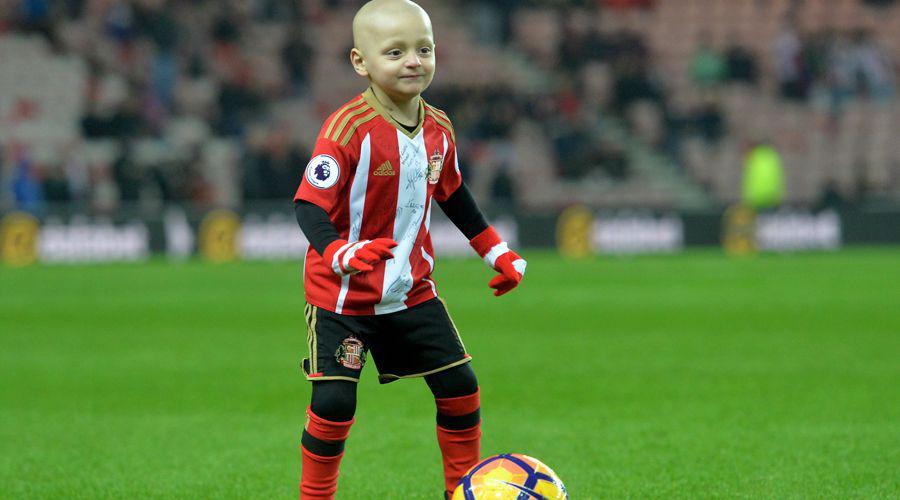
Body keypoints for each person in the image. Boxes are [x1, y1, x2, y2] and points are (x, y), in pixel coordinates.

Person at [291, 1, 527, 498]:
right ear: (361, 63)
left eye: (424, 49)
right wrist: (339, 253)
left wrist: (496, 252)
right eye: (395, 52)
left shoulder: (439, 126)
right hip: (342, 298)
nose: (413, 61)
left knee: (460, 387)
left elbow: (454, 193)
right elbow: (309, 205)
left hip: (411, 291)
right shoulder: (347, 130)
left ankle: (460, 491)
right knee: (334, 403)